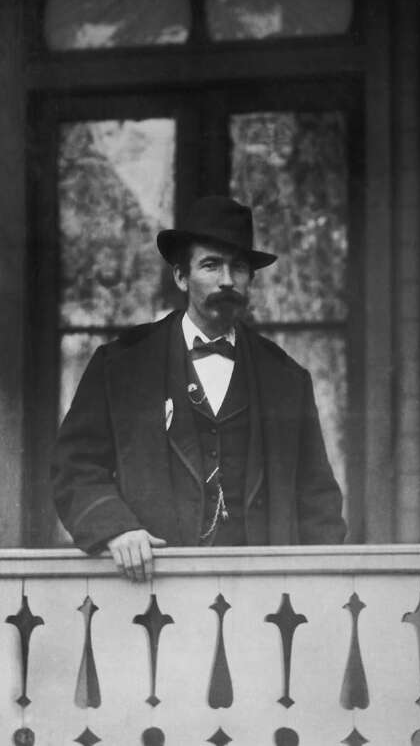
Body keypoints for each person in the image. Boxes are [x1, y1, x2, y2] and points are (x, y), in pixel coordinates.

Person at [51, 196, 347, 581]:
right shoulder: (121, 365)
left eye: (238, 267)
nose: (227, 279)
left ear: (250, 279)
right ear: (180, 276)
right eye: (211, 264)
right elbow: (74, 466)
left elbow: (317, 502)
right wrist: (116, 527)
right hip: (152, 590)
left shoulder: (287, 379)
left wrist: (320, 592)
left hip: (261, 594)